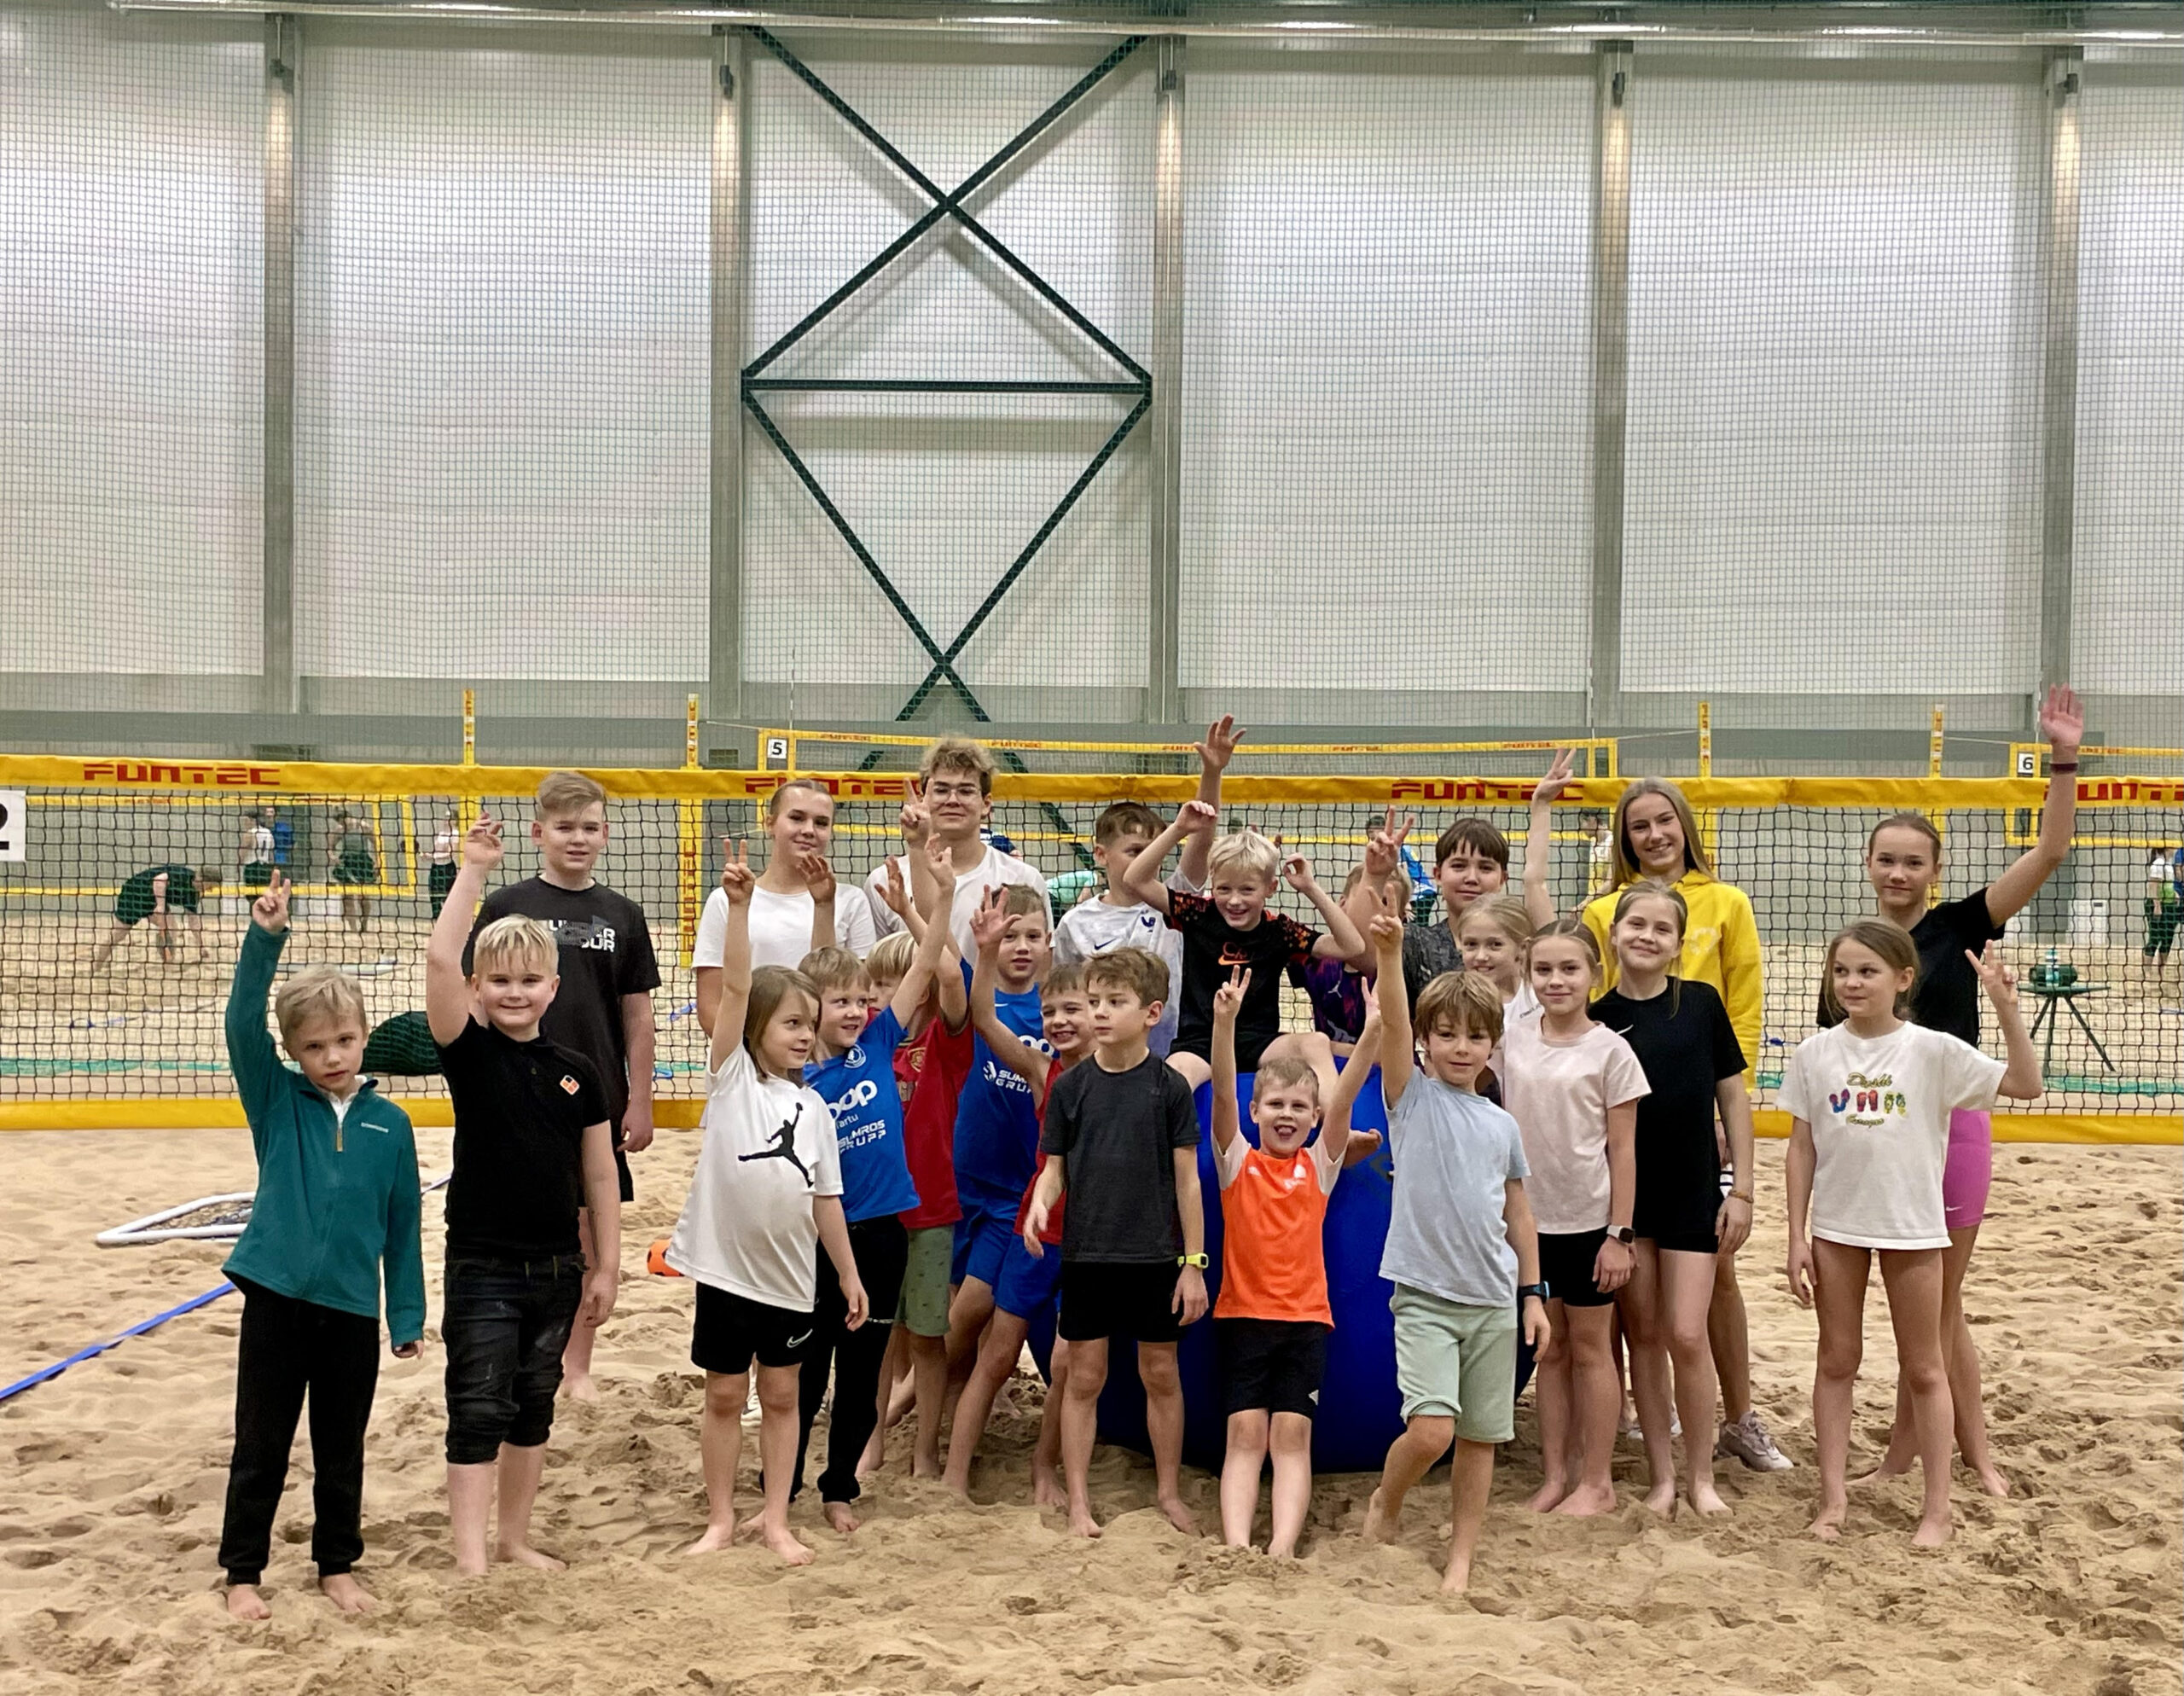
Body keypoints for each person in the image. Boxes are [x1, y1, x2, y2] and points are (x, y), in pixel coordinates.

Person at [1836, 683, 2082, 1497]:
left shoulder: (1962, 924)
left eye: (1914, 861)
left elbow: (2051, 852)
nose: (1899, 871)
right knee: (1940, 1312)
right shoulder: (1858, 953)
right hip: (1882, 1138)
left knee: (1938, 1310)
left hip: (1954, 1129)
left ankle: (1919, 1455)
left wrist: (2063, 759)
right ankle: (1967, 1451)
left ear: (1934, 872)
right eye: (1887, 859)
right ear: (1869, 865)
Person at [1535, 762, 1788, 1476]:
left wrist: (1729, 1130)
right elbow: (1557, 955)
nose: (1653, 834)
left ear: (1685, 826)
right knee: (1631, 1310)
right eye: (1638, 825)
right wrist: (1542, 812)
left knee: (1707, 1296)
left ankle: (1737, 1419)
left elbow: (1742, 1014)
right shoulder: (1601, 915)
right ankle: (1641, 1434)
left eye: (1663, 820)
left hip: (1698, 1135)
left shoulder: (1726, 906)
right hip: (1625, 1151)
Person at [1784, 922, 2042, 1545]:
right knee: (1836, 1361)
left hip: (1914, 1229)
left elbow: (2026, 1085)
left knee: (1925, 1367)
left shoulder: (1933, 1051)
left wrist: (2007, 1010)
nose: (1851, 983)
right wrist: (1795, 1235)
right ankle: (1833, 1502)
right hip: (1838, 1229)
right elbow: (1801, 1149)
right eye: (1841, 971)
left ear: (1902, 979)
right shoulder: (1814, 1054)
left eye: (1866, 971)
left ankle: (1937, 1511)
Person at [217, 870, 423, 1622]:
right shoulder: (276, 1101)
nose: (332, 1056)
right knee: (261, 1444)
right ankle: (243, 1572)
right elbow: (241, 1022)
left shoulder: (390, 1125)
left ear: (364, 1035)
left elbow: (403, 1227)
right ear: (292, 1051)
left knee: (342, 1448)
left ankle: (337, 1565)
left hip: (351, 1311)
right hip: (276, 1299)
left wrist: (406, 1316)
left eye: (344, 1040)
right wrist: (265, 938)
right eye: (314, 1046)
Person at [662, 842, 867, 1565]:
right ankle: (721, 1519)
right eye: (791, 1023)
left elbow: (826, 1200)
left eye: (810, 1024)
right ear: (757, 1030)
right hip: (726, 1274)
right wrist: (740, 908)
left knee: (783, 1399)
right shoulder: (731, 1079)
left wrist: (848, 1275)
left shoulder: (815, 1109)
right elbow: (738, 986)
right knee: (724, 1397)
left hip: (789, 1279)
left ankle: (776, 1519)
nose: (805, 1035)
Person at [426, 814, 620, 1577]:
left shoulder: (577, 1070)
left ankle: (513, 1538)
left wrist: (605, 1267)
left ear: (553, 988)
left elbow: (599, 1177)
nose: (514, 992)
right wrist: (474, 869)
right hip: (483, 1264)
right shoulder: (468, 1052)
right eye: (499, 981)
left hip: (556, 1268)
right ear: (478, 988)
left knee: (532, 1407)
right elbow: (440, 957)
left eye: (528, 980)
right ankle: (472, 1556)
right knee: (478, 1407)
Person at [1358, 915, 1548, 1595]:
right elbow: (1394, 1021)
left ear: (1493, 1044)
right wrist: (1388, 953)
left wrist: (1533, 1296)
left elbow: (1518, 1214)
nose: (1461, 1047)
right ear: (1428, 1042)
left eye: (1474, 1036)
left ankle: (1461, 1556)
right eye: (1447, 1035)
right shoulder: (1411, 1099)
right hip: (1427, 1298)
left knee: (1480, 1438)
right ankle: (1388, 1500)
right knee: (1432, 1431)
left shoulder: (1501, 1124)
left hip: (1494, 1299)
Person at [466, 770, 659, 1402]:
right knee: (519, 1226)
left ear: (605, 834)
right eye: (565, 827)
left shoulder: (624, 915)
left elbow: (637, 1018)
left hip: (592, 1097)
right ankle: (517, 1351)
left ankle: (575, 1367)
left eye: (589, 827)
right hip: (518, 1092)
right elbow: (474, 998)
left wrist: (640, 1098)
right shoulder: (507, 906)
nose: (578, 838)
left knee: (587, 1230)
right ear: (538, 832)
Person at [789, 843, 951, 1532]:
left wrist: (940, 896)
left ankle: (839, 1488)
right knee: (805, 1371)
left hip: (883, 1232)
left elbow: (925, 963)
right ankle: (783, 1482)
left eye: (863, 999)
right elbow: (801, 979)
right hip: (815, 1239)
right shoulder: (796, 1075)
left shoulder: (880, 1042)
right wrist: (822, 908)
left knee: (861, 1372)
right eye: (843, 1002)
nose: (857, 1009)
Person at [1023, 947, 1207, 1539]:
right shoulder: (1072, 1087)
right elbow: (1054, 1168)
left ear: (1151, 1013)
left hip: (1155, 1257)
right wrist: (1041, 1204)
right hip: (1088, 1256)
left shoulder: (1168, 1087)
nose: (1099, 1012)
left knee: (1161, 1373)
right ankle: (1079, 1501)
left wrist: (1193, 1265)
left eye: (1113, 1002)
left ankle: (1168, 1493)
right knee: (1083, 1378)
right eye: (1094, 1000)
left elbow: (1188, 1181)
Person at [1591, 879, 1755, 1517]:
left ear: (1679, 943)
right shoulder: (1598, 1017)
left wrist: (1742, 1190)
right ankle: (1662, 1476)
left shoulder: (1702, 1004)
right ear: (1614, 933)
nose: (1647, 936)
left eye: (1663, 929)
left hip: (1693, 1192)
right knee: (1646, 1336)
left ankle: (1701, 1477)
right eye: (1637, 924)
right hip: (1629, 1201)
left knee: (1688, 1334)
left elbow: (1732, 1097)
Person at [1211, 965, 1374, 1558]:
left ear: (1313, 1117)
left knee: (1291, 1434)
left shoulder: (1319, 1166)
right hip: (1244, 1319)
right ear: (1255, 1111)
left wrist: (1373, 1031)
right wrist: (1224, 1025)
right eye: (1275, 1104)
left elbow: (1347, 1094)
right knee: (1244, 1434)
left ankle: (1281, 1548)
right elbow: (1222, 1092)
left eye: (1299, 1106)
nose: (1286, 1114)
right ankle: (1235, 1545)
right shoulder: (1237, 1162)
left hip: (1306, 1323)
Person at [1496, 918, 1650, 1517]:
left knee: (1590, 1350)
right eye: (1544, 970)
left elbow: (1624, 1151)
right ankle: (1556, 1476)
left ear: (1593, 974)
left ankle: (1598, 1482)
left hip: (1588, 1224)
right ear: (1528, 975)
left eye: (1569, 969)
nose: (1556, 980)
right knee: (1550, 1351)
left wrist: (1619, 1234)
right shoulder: (1511, 1039)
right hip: (1528, 1224)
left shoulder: (1611, 1051)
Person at [944, 918, 1093, 1505]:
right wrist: (984, 953)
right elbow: (983, 1017)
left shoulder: (1128, 1079)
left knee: (1065, 1363)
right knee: (998, 1354)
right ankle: (954, 1477)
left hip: (1091, 1242)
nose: (1058, 1021)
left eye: (1072, 1010)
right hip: (1037, 1232)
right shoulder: (1041, 1069)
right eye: (1050, 1011)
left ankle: (1043, 1469)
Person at [1118, 800, 1365, 1089]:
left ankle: (1336, 1119)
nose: (1235, 900)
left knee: (1316, 1043)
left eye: (1247, 890)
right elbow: (1134, 879)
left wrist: (1311, 888)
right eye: (1224, 889)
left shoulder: (1281, 931)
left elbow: (1352, 947)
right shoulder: (1198, 913)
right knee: (1174, 1076)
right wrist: (1179, 829)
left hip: (1258, 1042)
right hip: (1201, 1042)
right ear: (1213, 884)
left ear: (1270, 889)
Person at [942, 884, 1056, 1413]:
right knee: (953, 1296)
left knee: (976, 1303)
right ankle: (955, 1394)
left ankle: (908, 1397)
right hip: (967, 1170)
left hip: (1018, 1184)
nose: (1022, 946)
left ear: (1050, 943)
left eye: (1033, 936)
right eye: (1011, 936)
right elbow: (943, 955)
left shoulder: (1055, 1013)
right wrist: (930, 880)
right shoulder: (979, 991)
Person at [694, 780, 877, 1032]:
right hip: (748, 1049)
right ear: (769, 824)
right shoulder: (726, 900)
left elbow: (859, 998)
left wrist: (814, 1048)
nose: (809, 830)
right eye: (797, 818)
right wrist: (756, 1051)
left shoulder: (851, 900)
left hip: (822, 1051)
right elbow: (710, 1006)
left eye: (821, 823)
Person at [1053, 798, 1211, 1057]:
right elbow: (1064, 995)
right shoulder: (1075, 923)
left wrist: (1212, 775)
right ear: (1101, 855)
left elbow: (1203, 835)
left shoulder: (1173, 906)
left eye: (1155, 850)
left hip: (1167, 1055)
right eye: (1135, 851)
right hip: (1099, 1058)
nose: (1148, 859)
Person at [864, 739, 1051, 954]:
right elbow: (876, 969)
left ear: (986, 804)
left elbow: (1042, 966)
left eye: (966, 791)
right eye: (941, 790)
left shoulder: (1024, 879)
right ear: (924, 798)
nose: (953, 800)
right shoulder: (885, 882)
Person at [1401, 817, 1512, 1008]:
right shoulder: (1414, 943)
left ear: (1503, 879)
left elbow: (1535, 882)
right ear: (1438, 875)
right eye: (1459, 866)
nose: (1471, 878)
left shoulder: (1518, 946)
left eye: (1485, 868)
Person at [90, 863, 218, 970]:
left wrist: (201, 946)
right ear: (203, 879)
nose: (210, 890)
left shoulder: (193, 895)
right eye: (211, 886)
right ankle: (97, 966)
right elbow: (159, 880)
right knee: (119, 934)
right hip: (135, 892)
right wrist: (160, 905)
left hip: (153, 900)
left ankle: (168, 964)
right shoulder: (183, 875)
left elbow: (194, 921)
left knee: (171, 927)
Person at [1455, 893, 1539, 1025]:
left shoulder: (1540, 999)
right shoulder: (1451, 1003)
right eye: (1471, 944)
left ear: (1523, 948)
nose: (1481, 956)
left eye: (1495, 945)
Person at [327, 808, 380, 937]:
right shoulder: (339, 830)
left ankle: (364, 923)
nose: (342, 824)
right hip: (346, 862)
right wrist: (333, 857)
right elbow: (330, 848)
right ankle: (353, 929)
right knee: (347, 897)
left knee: (364, 896)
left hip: (362, 862)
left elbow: (377, 845)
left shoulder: (363, 827)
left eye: (343, 821)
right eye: (340, 823)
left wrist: (378, 862)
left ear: (347, 817)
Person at [2146, 845, 2181, 984]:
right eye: (2171, 847)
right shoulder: (2158, 864)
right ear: (2165, 849)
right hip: (2158, 905)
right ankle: (2147, 971)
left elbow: (2168, 885)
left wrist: (2175, 894)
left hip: (2169, 905)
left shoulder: (2167, 865)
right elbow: (2153, 885)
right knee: (2155, 938)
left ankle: (2161, 971)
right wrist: (2157, 905)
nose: (2173, 850)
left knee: (2167, 938)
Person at [428, 808, 462, 917]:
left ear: (455, 820)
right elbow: (437, 851)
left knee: (446, 895)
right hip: (435, 867)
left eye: (449, 817)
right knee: (434, 895)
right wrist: (429, 856)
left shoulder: (455, 834)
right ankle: (436, 919)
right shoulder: (442, 833)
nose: (446, 820)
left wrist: (434, 856)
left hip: (446, 868)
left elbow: (451, 853)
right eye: (446, 817)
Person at [240, 810, 276, 890]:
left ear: (252, 820)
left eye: (246, 821)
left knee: (251, 892)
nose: (245, 824)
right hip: (265, 867)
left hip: (252, 867)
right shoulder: (268, 833)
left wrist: (239, 863)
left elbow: (243, 849)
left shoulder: (250, 833)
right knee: (264, 892)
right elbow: (271, 853)